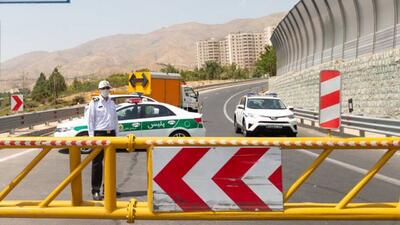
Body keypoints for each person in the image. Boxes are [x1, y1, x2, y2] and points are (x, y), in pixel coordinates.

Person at [87, 80, 119, 201]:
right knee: (97, 164)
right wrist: (91, 138)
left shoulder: (112, 103)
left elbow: (115, 120)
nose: (106, 90)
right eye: (104, 88)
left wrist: (117, 135)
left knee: (111, 163)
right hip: (99, 134)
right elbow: (90, 121)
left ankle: (109, 188)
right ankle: (96, 190)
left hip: (111, 134)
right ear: (99, 90)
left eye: (107, 88)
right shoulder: (94, 103)